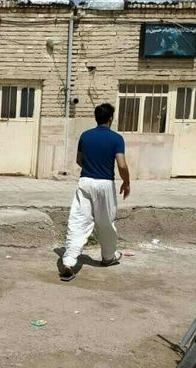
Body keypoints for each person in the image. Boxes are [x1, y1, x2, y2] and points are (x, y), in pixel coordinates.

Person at [59, 103, 130, 282]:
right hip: (105, 183)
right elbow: (121, 164)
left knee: (78, 221)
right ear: (110, 118)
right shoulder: (116, 138)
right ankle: (108, 257)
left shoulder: (85, 136)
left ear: (96, 118)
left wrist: (91, 168)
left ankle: (68, 261)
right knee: (106, 222)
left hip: (85, 181)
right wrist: (127, 183)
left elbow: (79, 160)